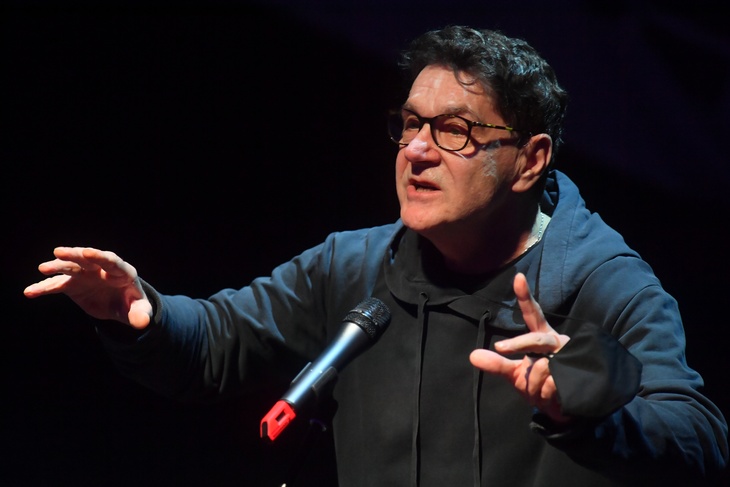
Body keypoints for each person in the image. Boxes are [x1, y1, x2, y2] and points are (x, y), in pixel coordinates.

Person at [24, 25, 728, 486]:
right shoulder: (354, 266)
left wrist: (589, 413)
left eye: (454, 130)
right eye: (411, 124)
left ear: (529, 160)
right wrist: (139, 312)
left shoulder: (604, 281)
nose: (416, 150)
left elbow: (701, 444)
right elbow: (214, 342)